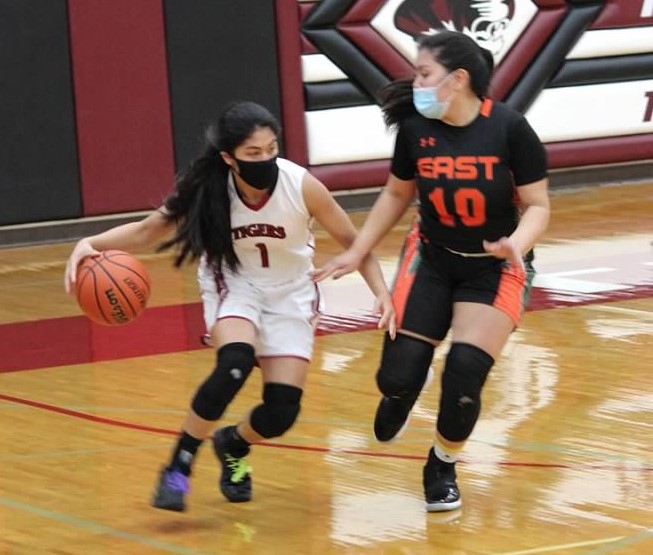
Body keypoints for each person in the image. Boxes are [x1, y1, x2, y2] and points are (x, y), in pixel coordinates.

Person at [64, 101, 396, 512]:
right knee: (233, 365)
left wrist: (382, 291)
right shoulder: (209, 188)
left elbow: (354, 242)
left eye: (272, 149)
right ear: (229, 157)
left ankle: (233, 444)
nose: (266, 159)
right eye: (253, 154)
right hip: (235, 286)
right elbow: (150, 229)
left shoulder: (301, 184)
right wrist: (92, 244)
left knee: (281, 413)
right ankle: (179, 466)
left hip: (291, 293)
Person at [311, 30, 550, 512]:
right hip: (432, 258)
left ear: (457, 79)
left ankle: (442, 463)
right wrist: (358, 250)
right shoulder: (417, 129)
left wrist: (514, 245)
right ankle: (401, 392)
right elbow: (398, 194)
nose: (414, 81)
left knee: (464, 375)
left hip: (493, 268)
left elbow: (539, 206)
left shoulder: (509, 128)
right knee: (396, 377)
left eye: (423, 73)